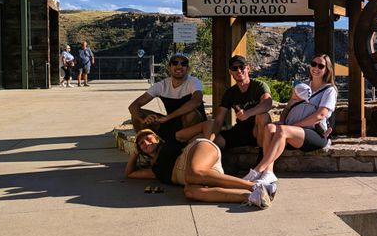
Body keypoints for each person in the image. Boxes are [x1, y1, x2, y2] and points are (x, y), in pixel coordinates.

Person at [125, 123, 272, 207]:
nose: (146, 143)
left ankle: (253, 185)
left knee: (193, 174)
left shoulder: (172, 139)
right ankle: (253, 197)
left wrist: (208, 143)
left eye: (148, 138)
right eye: (141, 144)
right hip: (199, 175)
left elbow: (208, 123)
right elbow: (129, 174)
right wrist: (134, 153)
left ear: (156, 138)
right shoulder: (155, 170)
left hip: (198, 152)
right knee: (190, 192)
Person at [247, 53, 338, 185]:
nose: (316, 68)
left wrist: (294, 126)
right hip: (292, 130)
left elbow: (320, 115)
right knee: (269, 127)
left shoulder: (329, 90)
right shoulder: (302, 86)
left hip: (314, 134)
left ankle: (258, 170)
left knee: (283, 131)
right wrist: (283, 120)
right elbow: (288, 107)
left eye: (321, 65)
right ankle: (269, 172)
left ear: (326, 69)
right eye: (313, 64)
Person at [128, 53, 206, 140]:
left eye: (183, 64)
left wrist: (169, 117)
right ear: (169, 68)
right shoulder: (161, 85)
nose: (179, 66)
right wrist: (143, 120)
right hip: (172, 123)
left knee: (191, 114)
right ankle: (144, 144)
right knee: (137, 114)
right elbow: (133, 106)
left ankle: (187, 143)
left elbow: (196, 101)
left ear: (187, 69)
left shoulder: (193, 82)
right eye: (175, 63)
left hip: (192, 125)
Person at [211, 55, 273, 150]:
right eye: (234, 68)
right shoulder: (230, 93)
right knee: (213, 143)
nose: (239, 71)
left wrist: (248, 113)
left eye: (242, 67)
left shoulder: (259, 86)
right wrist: (210, 140)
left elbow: (267, 104)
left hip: (257, 130)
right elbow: (219, 120)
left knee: (263, 116)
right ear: (230, 72)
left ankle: (262, 155)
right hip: (240, 131)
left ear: (248, 68)